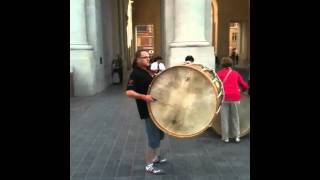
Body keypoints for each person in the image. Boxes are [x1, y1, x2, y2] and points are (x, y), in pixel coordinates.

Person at [126, 50, 167, 175]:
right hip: (149, 112)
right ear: (137, 59)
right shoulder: (135, 74)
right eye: (144, 57)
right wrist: (145, 97)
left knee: (160, 135)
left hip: (157, 109)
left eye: (148, 57)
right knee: (153, 138)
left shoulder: (146, 71)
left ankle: (155, 157)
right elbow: (129, 92)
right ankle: (149, 165)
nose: (148, 59)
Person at [217, 57, 248, 143]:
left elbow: (215, 86)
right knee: (235, 117)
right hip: (235, 97)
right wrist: (240, 90)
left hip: (224, 97)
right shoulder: (236, 73)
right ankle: (237, 137)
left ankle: (225, 137)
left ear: (222, 64)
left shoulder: (219, 73)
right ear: (232, 64)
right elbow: (245, 85)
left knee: (224, 118)